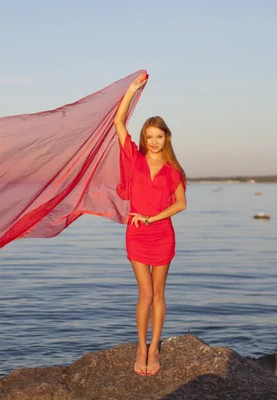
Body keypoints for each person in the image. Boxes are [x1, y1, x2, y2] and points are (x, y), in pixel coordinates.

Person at [113, 72, 187, 376]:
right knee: (144, 294)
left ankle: (155, 348)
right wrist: (131, 89)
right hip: (137, 235)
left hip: (161, 235)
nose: (154, 141)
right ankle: (140, 346)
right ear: (144, 138)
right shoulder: (134, 159)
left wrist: (151, 217)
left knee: (159, 294)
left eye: (159, 136)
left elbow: (180, 204)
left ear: (166, 138)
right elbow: (118, 123)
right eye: (149, 136)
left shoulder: (173, 170)